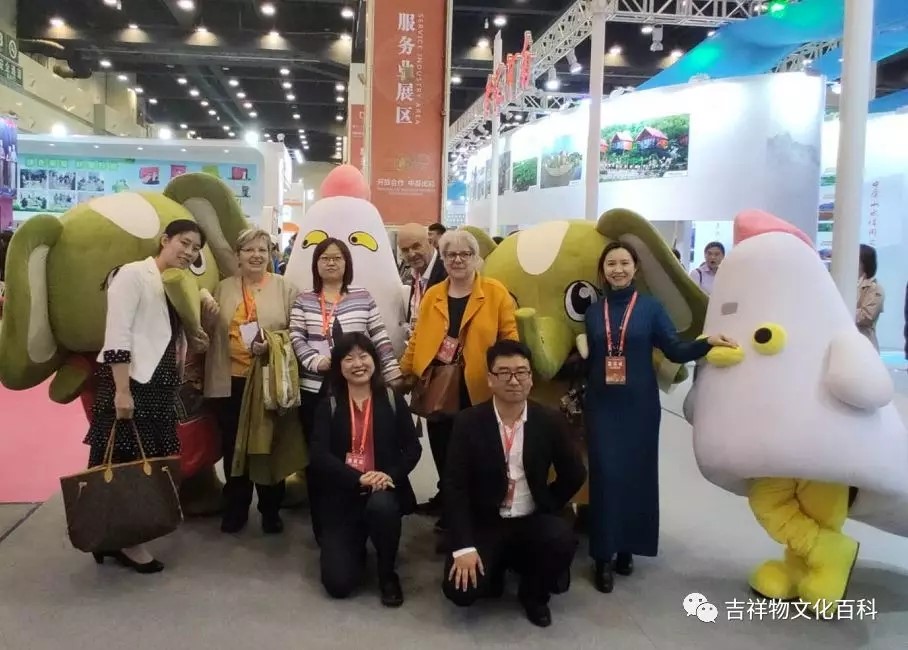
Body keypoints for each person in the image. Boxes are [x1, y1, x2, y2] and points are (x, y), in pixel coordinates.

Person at [584, 241, 736, 594]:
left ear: (635, 268)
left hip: (639, 405)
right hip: (602, 405)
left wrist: (707, 342)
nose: (618, 269)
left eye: (624, 263)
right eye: (611, 263)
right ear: (602, 270)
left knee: (636, 475)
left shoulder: (650, 308)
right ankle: (603, 556)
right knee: (605, 477)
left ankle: (627, 548)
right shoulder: (594, 311)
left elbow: (675, 349)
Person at [84, 219, 208, 574]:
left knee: (145, 461)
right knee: (124, 462)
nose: (189, 252)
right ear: (165, 240)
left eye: (196, 248)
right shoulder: (132, 275)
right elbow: (117, 335)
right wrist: (122, 391)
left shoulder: (176, 282)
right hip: (133, 382)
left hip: (160, 385)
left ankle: (113, 536)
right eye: (184, 242)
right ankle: (127, 541)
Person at [442, 340, 586, 627]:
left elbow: (574, 472)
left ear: (531, 378)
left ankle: (533, 594)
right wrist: (463, 547)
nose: (514, 380)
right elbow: (454, 486)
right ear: (490, 379)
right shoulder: (468, 422)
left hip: (529, 517)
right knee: (461, 593)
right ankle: (495, 568)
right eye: (504, 373)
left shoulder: (548, 420)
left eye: (521, 372)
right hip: (485, 521)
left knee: (561, 539)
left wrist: (548, 503)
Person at [400, 229, 518, 535]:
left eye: (465, 254)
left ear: (476, 258)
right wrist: (405, 371)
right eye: (451, 254)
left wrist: (509, 376)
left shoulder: (495, 292)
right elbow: (417, 338)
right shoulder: (433, 295)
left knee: (477, 454)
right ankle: (452, 513)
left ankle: (476, 515)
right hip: (439, 386)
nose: (458, 260)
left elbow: (509, 337)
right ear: (443, 258)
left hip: (479, 388)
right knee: (444, 452)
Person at [290, 237, 402, 538]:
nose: (331, 263)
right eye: (324, 258)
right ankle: (323, 526)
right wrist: (317, 362)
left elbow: (379, 338)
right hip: (315, 389)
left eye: (337, 258)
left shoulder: (362, 297)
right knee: (320, 457)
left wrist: (392, 373)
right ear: (316, 264)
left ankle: (360, 515)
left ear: (347, 263)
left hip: (355, 389)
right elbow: (296, 337)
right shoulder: (304, 300)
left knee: (355, 448)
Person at [202, 228, 303, 535]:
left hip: (268, 380)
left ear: (271, 254)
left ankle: (270, 509)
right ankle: (236, 507)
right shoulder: (222, 288)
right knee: (233, 446)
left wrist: (270, 342)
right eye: (249, 250)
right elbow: (209, 330)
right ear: (238, 256)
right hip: (229, 380)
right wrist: (205, 317)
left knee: (268, 446)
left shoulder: (286, 288)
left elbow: (298, 333)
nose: (256, 255)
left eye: (262, 249)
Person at [310, 333, 421, 607]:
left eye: (364, 356)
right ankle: (355, 546)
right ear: (339, 366)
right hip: (343, 496)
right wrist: (358, 478)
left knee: (382, 507)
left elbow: (412, 448)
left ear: (374, 360)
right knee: (338, 584)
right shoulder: (329, 404)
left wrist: (388, 476)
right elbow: (319, 455)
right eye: (349, 358)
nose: (358, 364)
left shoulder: (392, 399)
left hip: (383, 490)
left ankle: (387, 573)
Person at [397, 222, 447, 335]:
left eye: (416, 246)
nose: (411, 254)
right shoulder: (416, 272)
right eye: (405, 250)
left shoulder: (447, 273)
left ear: (430, 242)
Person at [856, 243, 884, 351]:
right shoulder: (846, 282)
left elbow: (867, 316)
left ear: (864, 263)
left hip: (865, 344)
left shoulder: (874, 288)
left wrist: (843, 312)